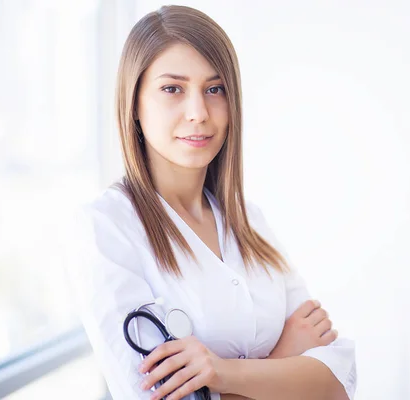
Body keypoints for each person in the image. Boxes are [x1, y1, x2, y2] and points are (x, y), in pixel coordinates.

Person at [65, 5, 356, 400]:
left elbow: (336, 381)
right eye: (173, 89)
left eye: (214, 89)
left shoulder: (250, 222)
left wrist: (219, 375)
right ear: (133, 102)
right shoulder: (107, 228)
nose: (198, 113)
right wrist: (284, 358)